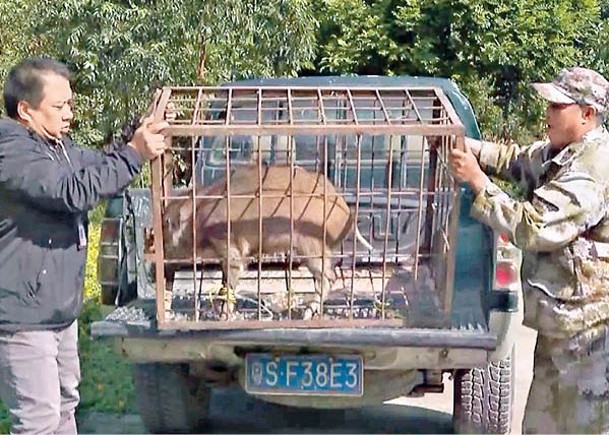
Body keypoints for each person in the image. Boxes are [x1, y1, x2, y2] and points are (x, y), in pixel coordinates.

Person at [0, 57, 168, 433]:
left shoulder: (56, 147)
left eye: (70, 104)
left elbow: (99, 166)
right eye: (59, 106)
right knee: (38, 422)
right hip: (24, 318)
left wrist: (133, 136)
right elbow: (71, 192)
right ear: (25, 110)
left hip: (57, 313)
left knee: (63, 410)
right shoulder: (10, 152)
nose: (69, 114)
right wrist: (136, 153)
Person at [449, 66, 609, 433]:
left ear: (587, 114)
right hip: (563, 328)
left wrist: (477, 181)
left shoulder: (592, 170)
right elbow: (517, 160)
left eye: (557, 106)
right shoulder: (565, 150)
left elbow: (534, 227)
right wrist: (467, 147)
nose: (547, 113)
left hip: (588, 338)